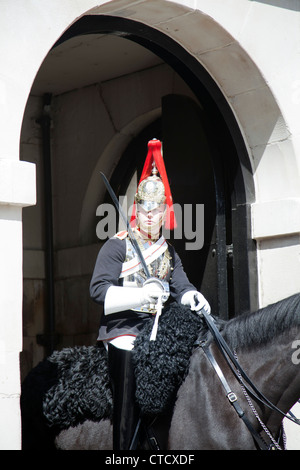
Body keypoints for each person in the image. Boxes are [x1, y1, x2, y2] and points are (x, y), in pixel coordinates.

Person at [90, 139, 210, 450]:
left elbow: (181, 286)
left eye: (155, 210)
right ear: (135, 209)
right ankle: (124, 448)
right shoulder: (117, 245)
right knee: (129, 385)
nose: (148, 215)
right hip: (124, 331)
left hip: (158, 333)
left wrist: (192, 298)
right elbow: (99, 290)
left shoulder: (168, 252)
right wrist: (142, 296)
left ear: (164, 213)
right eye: (143, 208)